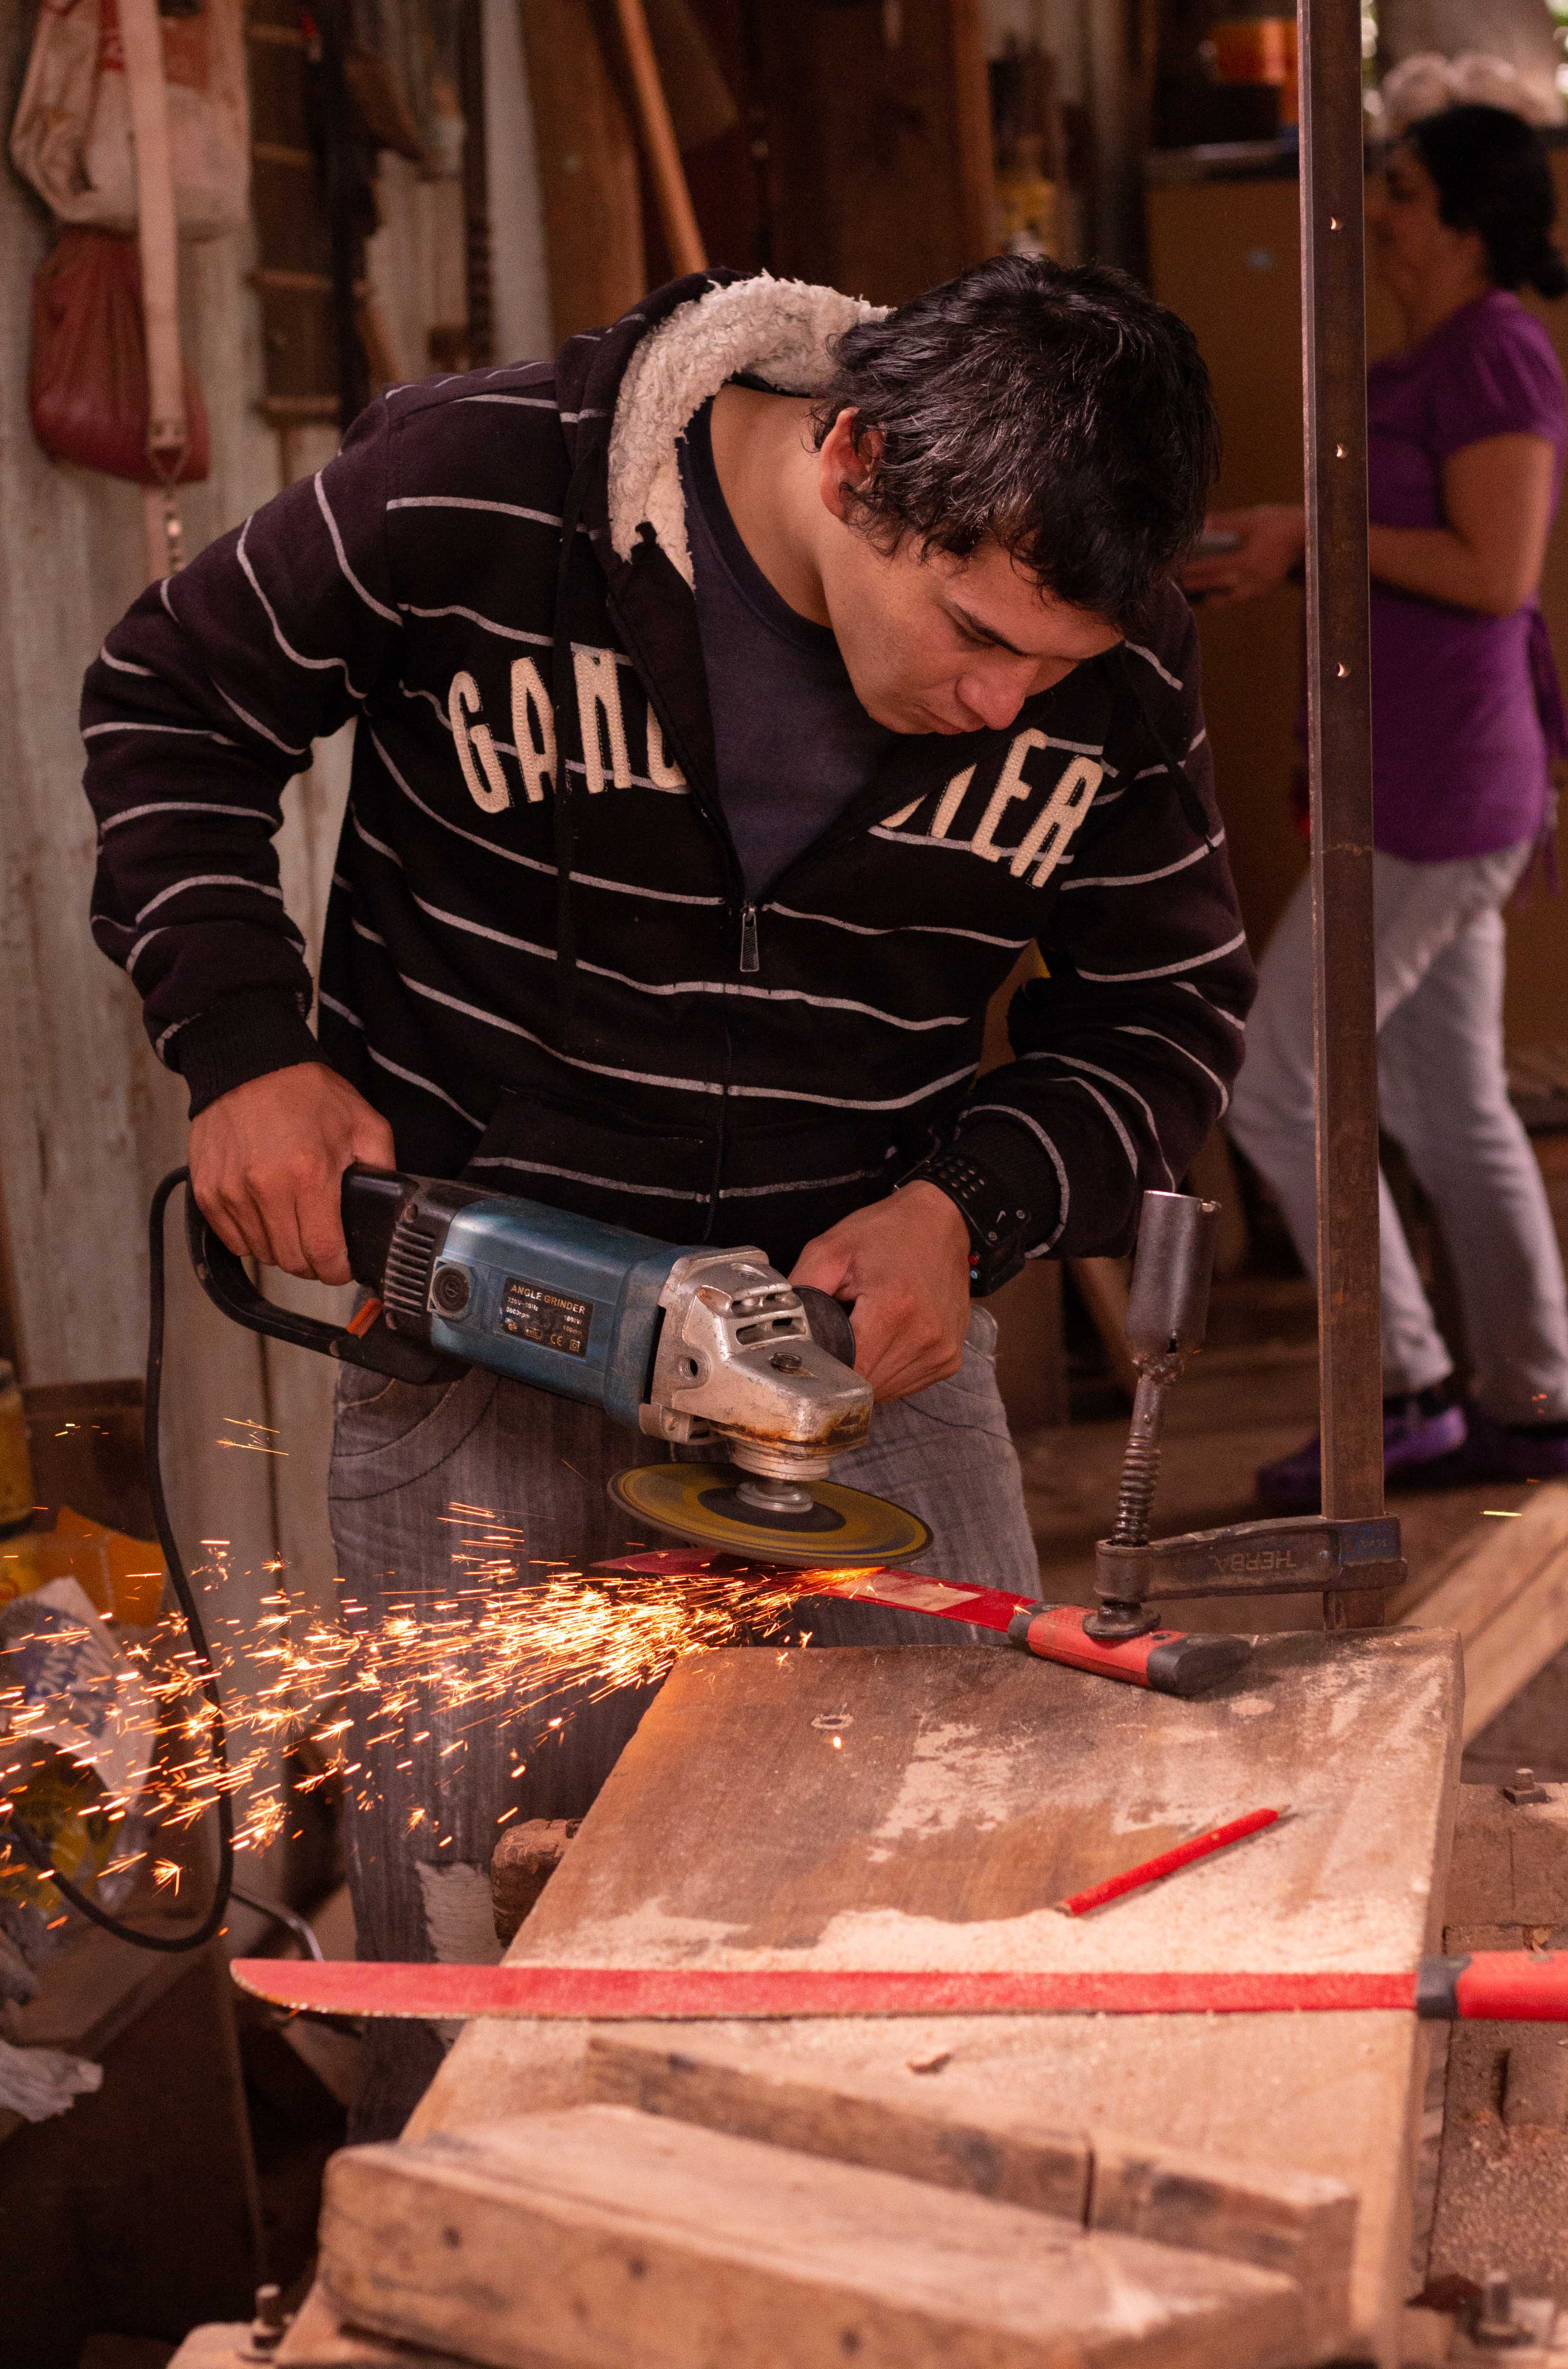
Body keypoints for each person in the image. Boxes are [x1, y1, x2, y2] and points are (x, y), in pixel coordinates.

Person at [84, 255, 1250, 2131]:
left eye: (1055, 664)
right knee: (476, 2019)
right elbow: (167, 698)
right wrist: (242, 1046)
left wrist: (974, 1208)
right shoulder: (478, 487)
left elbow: (1169, 1002)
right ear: (856, 460)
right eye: (973, 632)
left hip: (859, 1362)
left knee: (976, 1944)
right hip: (483, 1341)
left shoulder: (1102, 670)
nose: (1006, 697)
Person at [1186, 104, 1568, 1509]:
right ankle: (1533, 1408)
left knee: (1273, 1076)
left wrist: (1312, 536)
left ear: (1470, 221)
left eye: (1406, 193)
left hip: (1442, 793)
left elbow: (1498, 572)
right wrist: (1284, 546)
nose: (1384, 213)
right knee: (1449, 1106)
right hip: (1411, 775)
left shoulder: (1496, 353)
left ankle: (1404, 1387)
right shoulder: (1428, 359)